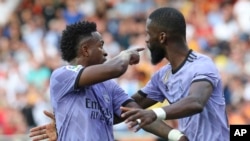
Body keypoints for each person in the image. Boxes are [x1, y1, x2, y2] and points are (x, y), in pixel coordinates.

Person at [29, 20, 188, 141]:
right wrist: (124, 55)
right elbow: (116, 68)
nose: (105, 53)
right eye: (100, 46)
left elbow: (139, 115)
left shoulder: (108, 86)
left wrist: (176, 136)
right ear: (85, 49)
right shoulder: (62, 75)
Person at [120, 7, 230, 141]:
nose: (146, 40)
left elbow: (196, 102)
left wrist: (154, 113)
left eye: (148, 34)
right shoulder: (161, 76)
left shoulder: (202, 65)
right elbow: (129, 106)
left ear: (162, 37)